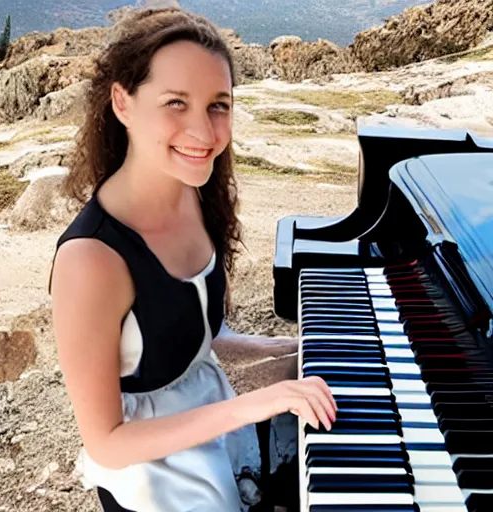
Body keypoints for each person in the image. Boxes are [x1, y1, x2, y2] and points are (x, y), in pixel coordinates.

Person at [49, 7, 337, 512]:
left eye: (218, 104)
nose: (204, 132)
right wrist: (257, 402)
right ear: (123, 102)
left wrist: (289, 347)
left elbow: (190, 329)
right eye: (176, 102)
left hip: (213, 423)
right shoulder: (91, 260)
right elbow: (107, 442)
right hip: (157, 478)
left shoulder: (194, 192)